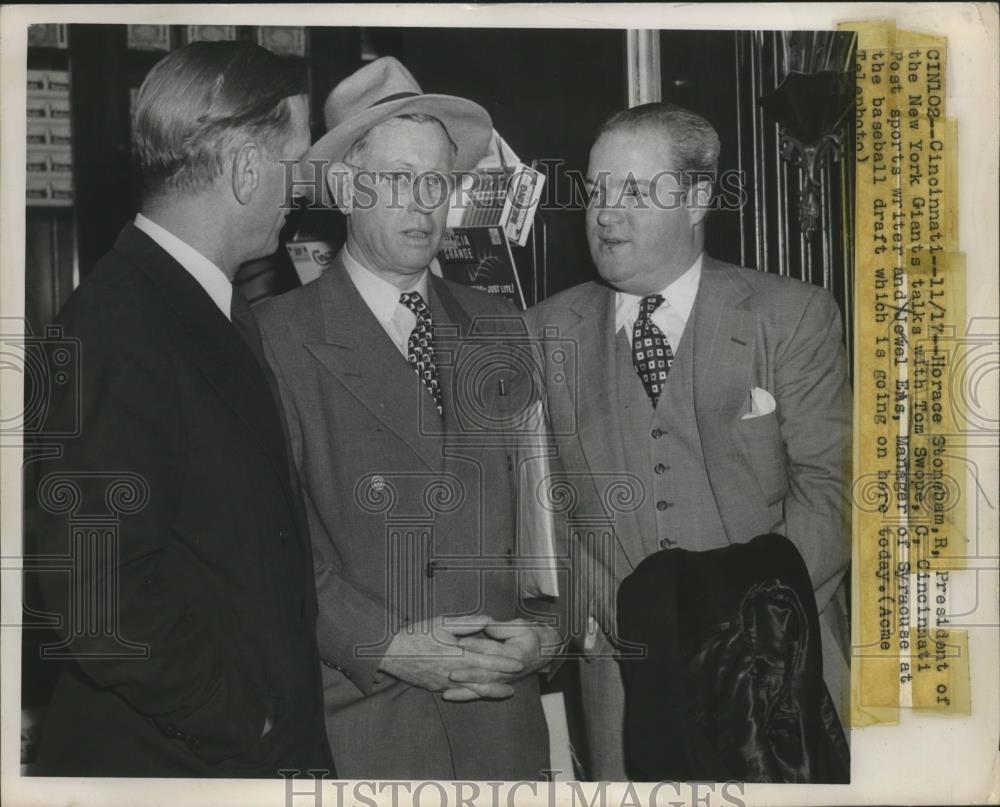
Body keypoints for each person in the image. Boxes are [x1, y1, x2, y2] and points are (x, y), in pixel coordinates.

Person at [27, 41, 332, 777]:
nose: (303, 189)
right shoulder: (119, 324)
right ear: (246, 167)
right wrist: (248, 719)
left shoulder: (201, 304)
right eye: (296, 162)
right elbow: (98, 597)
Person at [257, 56, 562, 780]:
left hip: (501, 728)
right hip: (363, 726)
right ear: (343, 187)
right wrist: (388, 646)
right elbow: (273, 545)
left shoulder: (503, 327)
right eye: (397, 178)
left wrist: (548, 635)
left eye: (436, 181)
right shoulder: (275, 336)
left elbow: (551, 514)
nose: (422, 203)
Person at [526, 102, 851, 780]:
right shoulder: (544, 331)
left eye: (635, 191)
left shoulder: (791, 316)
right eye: (596, 191)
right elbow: (548, 506)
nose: (605, 214)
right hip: (623, 679)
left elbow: (833, 488)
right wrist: (597, 620)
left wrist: (747, 627)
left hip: (780, 668)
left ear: (697, 198)